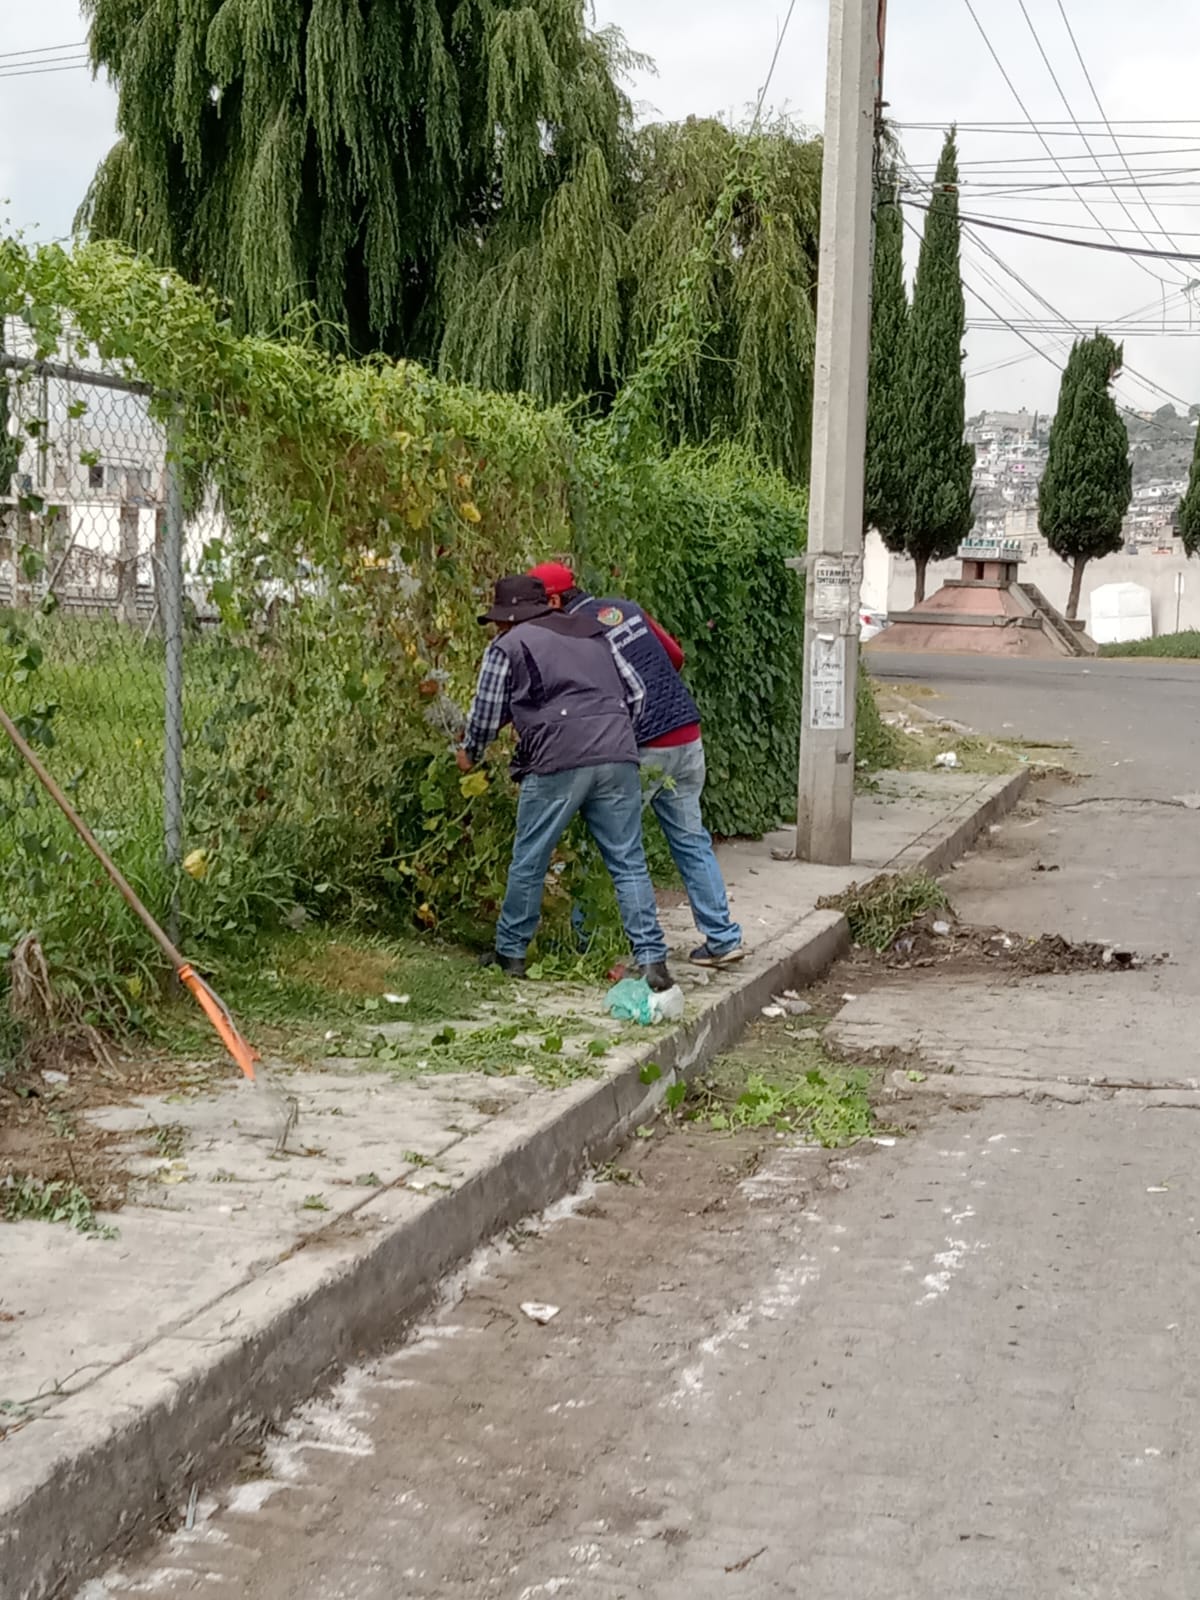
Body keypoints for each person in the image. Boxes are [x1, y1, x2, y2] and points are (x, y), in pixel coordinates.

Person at [457, 573, 674, 990]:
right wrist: (611, 733)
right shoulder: (594, 635)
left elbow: (486, 712)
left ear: (510, 618)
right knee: (628, 861)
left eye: (501, 619)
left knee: (531, 857)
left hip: (557, 759)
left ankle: (511, 953)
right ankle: (652, 962)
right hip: (617, 753)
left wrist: (472, 751)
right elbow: (637, 693)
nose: (499, 627)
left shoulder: (507, 646)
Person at [527, 560, 744, 969]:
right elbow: (675, 656)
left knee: (608, 844)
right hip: (687, 733)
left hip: (644, 747)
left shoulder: (571, 633)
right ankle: (722, 937)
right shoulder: (625, 608)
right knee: (691, 839)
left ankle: (588, 939)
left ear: (554, 600)